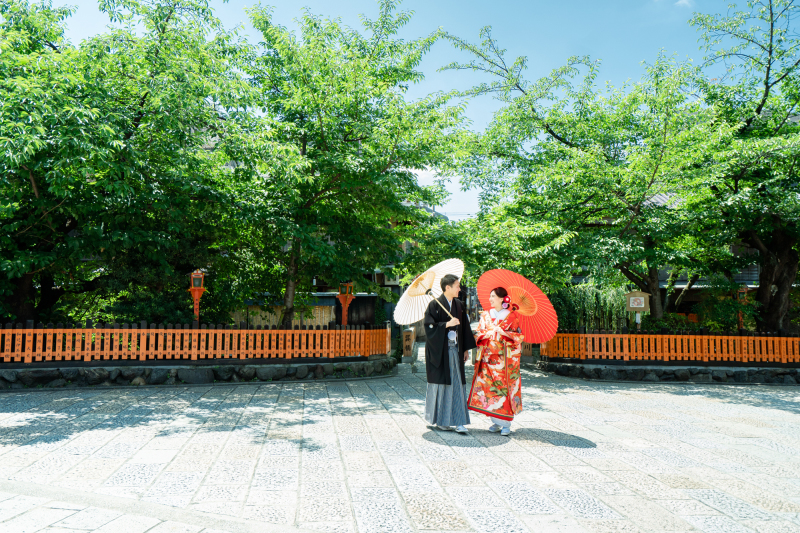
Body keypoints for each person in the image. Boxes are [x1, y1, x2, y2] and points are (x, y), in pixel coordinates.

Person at [423, 273, 478, 434]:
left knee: (457, 384)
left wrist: (466, 349)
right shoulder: (434, 305)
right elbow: (429, 327)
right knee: (441, 385)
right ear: (448, 287)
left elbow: (465, 328)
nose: (459, 289)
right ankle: (440, 420)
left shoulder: (459, 305)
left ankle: (458, 421)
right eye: (457, 286)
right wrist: (447, 324)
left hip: (456, 349)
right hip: (440, 352)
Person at [467, 287, 524, 436]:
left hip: (504, 362)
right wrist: (487, 334)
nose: (490, 299)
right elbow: (479, 333)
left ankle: (506, 424)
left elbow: (518, 337)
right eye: (490, 296)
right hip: (487, 359)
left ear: (502, 299)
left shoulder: (511, 316)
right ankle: (496, 422)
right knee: (489, 390)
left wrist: (503, 332)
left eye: (493, 296)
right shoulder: (485, 315)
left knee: (503, 390)